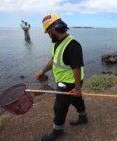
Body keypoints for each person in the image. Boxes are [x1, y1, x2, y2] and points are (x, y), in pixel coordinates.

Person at [35, 13, 87, 141]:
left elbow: (77, 68)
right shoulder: (59, 43)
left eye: (48, 32)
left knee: (59, 107)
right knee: (75, 99)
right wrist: (43, 71)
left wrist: (78, 88)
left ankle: (57, 131)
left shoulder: (72, 45)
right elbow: (54, 60)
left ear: (53, 30)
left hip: (69, 82)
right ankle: (83, 117)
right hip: (67, 81)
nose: (48, 35)